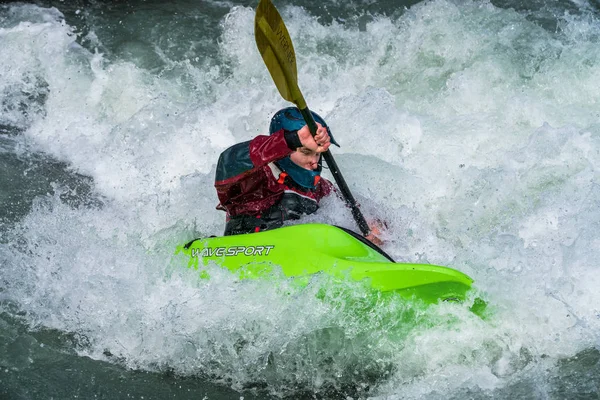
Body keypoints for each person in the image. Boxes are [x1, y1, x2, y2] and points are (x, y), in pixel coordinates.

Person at [214, 107, 337, 236]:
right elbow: (228, 161)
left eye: (317, 154)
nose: (314, 162)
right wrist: (292, 139)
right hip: (250, 252)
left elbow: (346, 211)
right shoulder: (256, 176)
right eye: (306, 152)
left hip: (295, 251)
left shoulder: (320, 188)